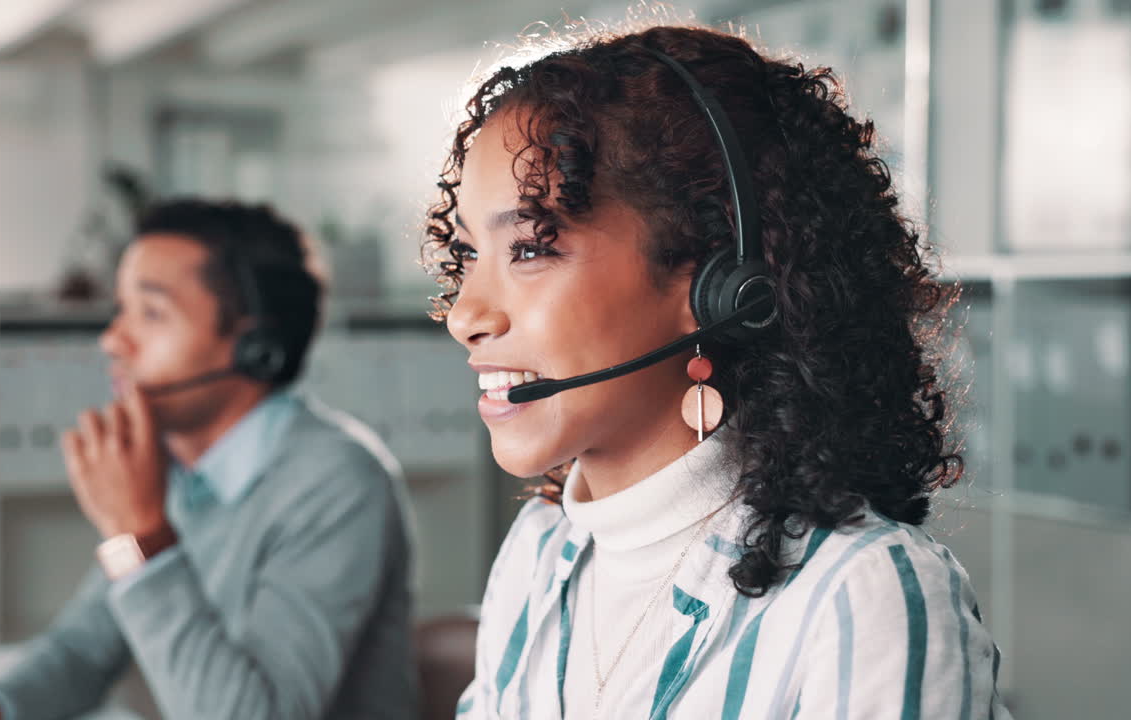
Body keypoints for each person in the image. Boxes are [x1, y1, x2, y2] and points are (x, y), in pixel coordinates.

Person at [423, 23, 1012, 719]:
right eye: (466, 258)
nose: (466, 315)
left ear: (718, 285)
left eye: (529, 248)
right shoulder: (541, 551)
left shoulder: (863, 596)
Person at [0, 199, 416, 720]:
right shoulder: (178, 472)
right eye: (121, 309)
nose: (112, 339)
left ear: (256, 348)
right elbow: (86, 646)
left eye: (152, 313)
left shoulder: (338, 481)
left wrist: (140, 534)